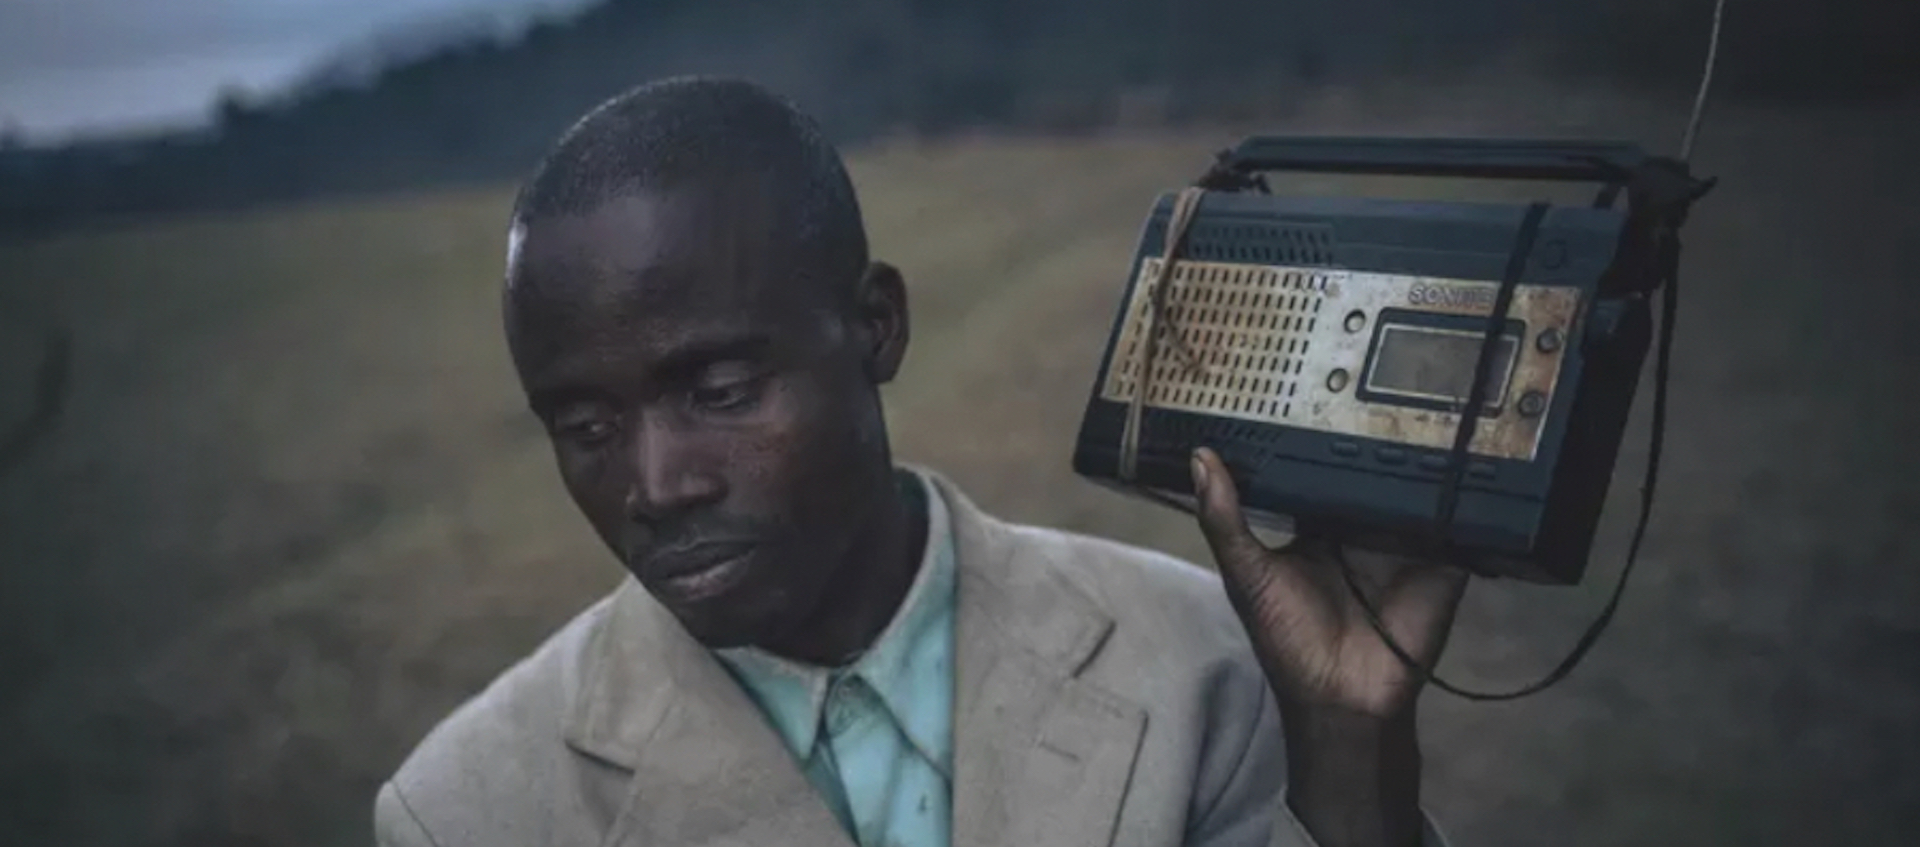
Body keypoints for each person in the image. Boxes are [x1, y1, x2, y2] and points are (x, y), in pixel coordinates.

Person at [373, 76, 1472, 847]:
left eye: (719, 391)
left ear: (877, 326)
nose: (655, 487)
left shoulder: (1206, 665)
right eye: (586, 428)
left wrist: (1346, 755)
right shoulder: (465, 812)